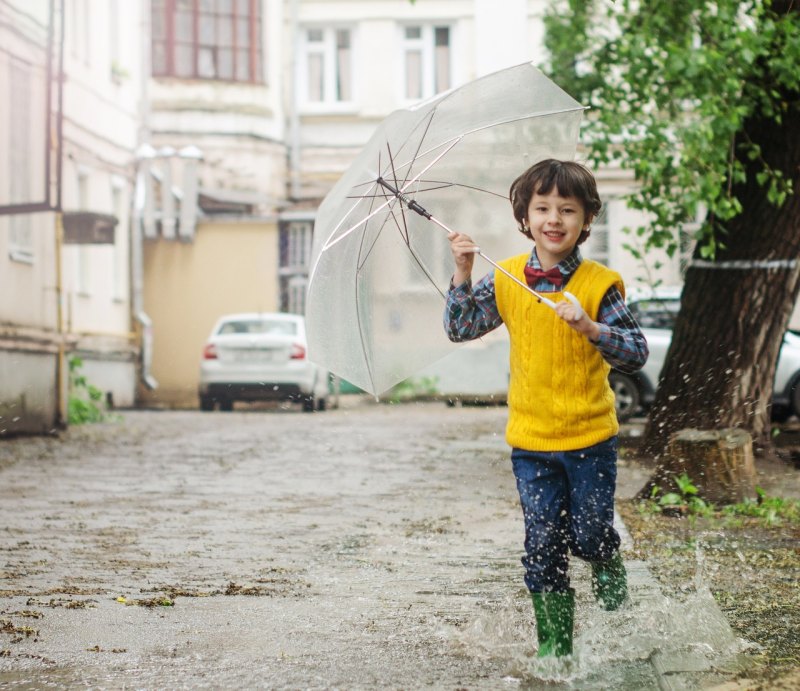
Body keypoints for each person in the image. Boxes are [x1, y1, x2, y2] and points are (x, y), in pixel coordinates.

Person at [445, 159, 648, 658]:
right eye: (542, 208)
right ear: (524, 216)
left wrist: (591, 328)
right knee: (542, 546)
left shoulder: (600, 284)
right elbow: (461, 328)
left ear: (586, 220)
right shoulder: (508, 277)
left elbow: (635, 352)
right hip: (531, 444)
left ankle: (610, 580)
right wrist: (464, 272)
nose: (553, 219)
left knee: (591, 535)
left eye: (567, 209)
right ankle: (556, 654)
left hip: (590, 440)